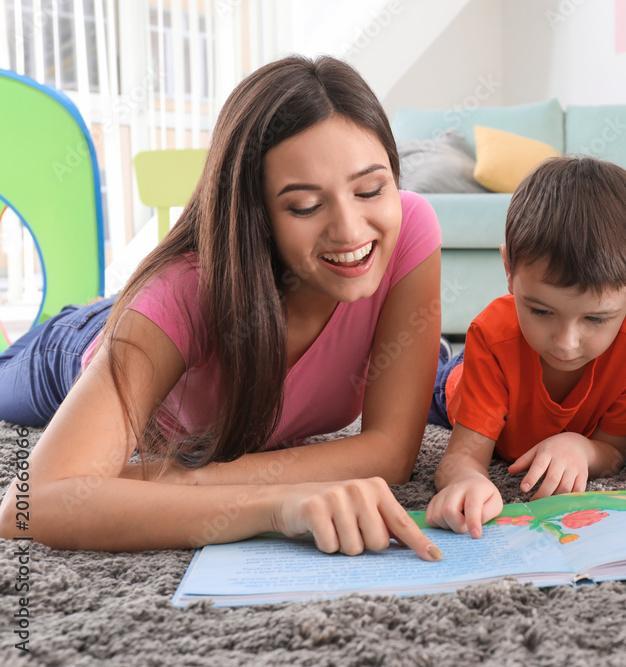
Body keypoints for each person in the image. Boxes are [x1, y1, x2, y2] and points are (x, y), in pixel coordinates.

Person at [0, 55, 445, 559]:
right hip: (76, 346)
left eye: (370, 189)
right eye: (304, 206)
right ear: (256, 214)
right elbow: (28, 506)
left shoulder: (410, 232)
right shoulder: (181, 294)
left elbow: (391, 452)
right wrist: (273, 504)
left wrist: (172, 480)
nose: (350, 230)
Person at [426, 156, 626, 537]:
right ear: (509, 270)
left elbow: (614, 450)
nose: (565, 343)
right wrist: (467, 483)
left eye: (595, 318)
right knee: (428, 384)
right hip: (463, 386)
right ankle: (442, 357)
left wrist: (582, 448)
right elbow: (460, 459)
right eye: (541, 310)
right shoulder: (493, 337)